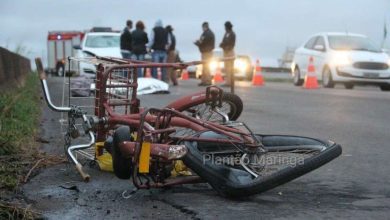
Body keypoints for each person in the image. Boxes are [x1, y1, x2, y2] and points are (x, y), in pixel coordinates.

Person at [194, 22, 215, 86]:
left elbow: (202, 42)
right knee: (205, 67)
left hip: (207, 52)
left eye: (202, 27)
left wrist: (198, 43)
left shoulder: (207, 33)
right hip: (207, 51)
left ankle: (207, 81)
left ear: (204, 27)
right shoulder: (209, 33)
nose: (202, 29)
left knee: (206, 67)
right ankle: (204, 80)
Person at [219, 21, 236, 86]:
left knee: (230, 67)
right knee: (226, 67)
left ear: (227, 27)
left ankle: (229, 82)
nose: (224, 28)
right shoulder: (226, 33)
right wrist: (222, 45)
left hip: (229, 51)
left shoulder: (232, 34)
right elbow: (224, 41)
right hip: (225, 51)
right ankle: (228, 81)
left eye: (225, 27)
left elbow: (232, 44)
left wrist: (226, 47)